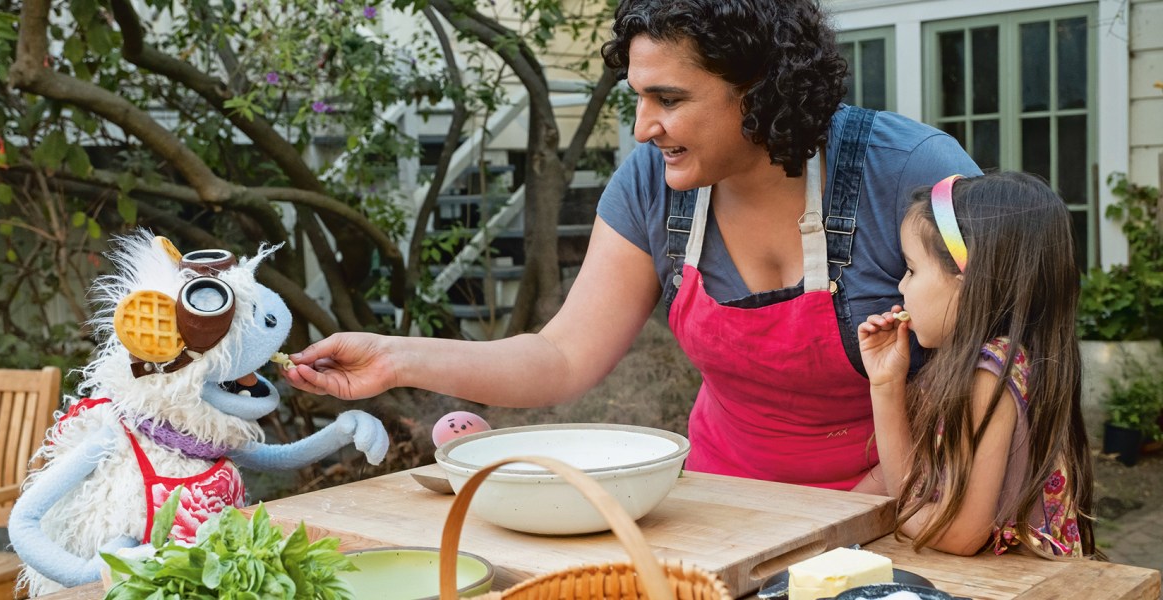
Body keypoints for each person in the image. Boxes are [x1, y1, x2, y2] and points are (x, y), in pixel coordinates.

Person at [283, 0, 980, 491]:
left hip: (903, 498)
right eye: (638, 97)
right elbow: (561, 357)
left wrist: (866, 508)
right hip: (726, 503)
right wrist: (395, 358)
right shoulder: (655, 183)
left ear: (763, 89)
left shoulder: (908, 173)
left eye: (669, 99)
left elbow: (999, 365)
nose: (644, 127)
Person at [856, 172, 1094, 557]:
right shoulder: (994, 363)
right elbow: (910, 484)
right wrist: (885, 385)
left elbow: (960, 535)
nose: (901, 286)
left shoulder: (990, 376)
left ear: (966, 282)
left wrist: (889, 518)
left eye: (912, 270)